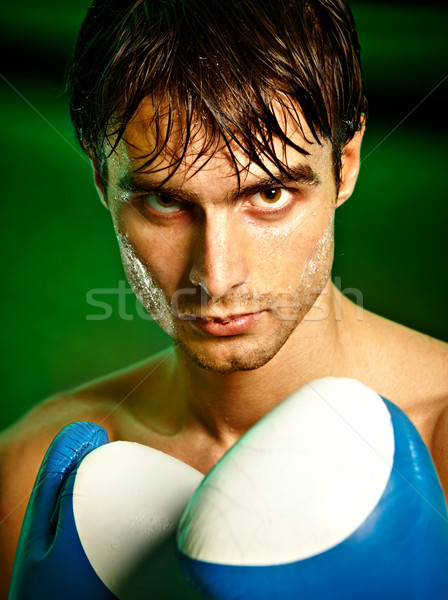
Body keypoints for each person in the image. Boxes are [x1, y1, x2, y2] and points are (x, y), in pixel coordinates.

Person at [1, 0, 447, 595]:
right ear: (99, 180)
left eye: (268, 195)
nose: (217, 276)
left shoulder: (438, 446)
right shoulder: (33, 482)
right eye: (166, 201)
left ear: (345, 164)